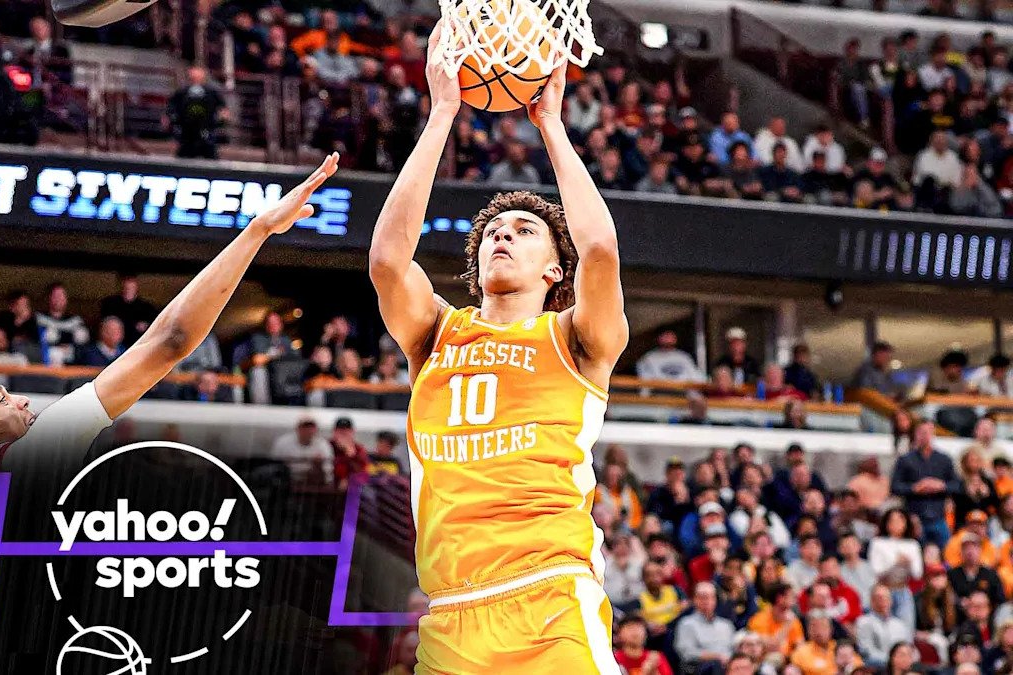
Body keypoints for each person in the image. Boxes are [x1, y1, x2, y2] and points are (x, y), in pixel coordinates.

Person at [368, 24, 628, 671]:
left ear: (554, 270)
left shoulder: (575, 338)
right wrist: (442, 115)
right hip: (452, 613)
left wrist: (552, 127)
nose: (503, 237)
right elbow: (387, 260)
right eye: (492, 233)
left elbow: (600, 248)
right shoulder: (436, 332)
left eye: (523, 231)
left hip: (550, 597)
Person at [0, 155, 339, 471]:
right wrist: (257, 230)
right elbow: (170, 341)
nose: (22, 399)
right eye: (0, 400)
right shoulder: (25, 456)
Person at [891, 420, 961, 549]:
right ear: (915, 434)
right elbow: (895, 487)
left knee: (946, 551)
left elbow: (957, 485)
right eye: (921, 432)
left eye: (928, 432)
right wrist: (915, 488)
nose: (925, 436)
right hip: (915, 516)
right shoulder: (905, 460)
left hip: (939, 516)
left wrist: (941, 486)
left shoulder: (944, 459)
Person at [167, 65, 227, 159]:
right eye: (193, 77)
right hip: (187, 133)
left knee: (210, 157)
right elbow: (171, 108)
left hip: (206, 131)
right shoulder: (181, 92)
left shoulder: (212, 92)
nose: (196, 80)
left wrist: (219, 122)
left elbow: (223, 110)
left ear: (203, 78)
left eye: (198, 77)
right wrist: (172, 121)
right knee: (183, 158)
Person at [675, 581, 737, 672]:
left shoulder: (726, 625)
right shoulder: (686, 624)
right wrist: (716, 656)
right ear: (695, 600)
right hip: (703, 668)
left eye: (711, 597)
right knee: (715, 665)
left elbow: (734, 649)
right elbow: (687, 653)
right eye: (703, 597)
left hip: (730, 666)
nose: (707, 601)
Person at [856, 586, 913, 669]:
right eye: (879, 597)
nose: (883, 600)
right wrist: (893, 661)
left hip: (900, 665)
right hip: (876, 667)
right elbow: (867, 652)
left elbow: (908, 647)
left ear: (891, 601)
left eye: (886, 597)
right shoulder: (864, 622)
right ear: (872, 601)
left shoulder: (899, 624)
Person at [268, 416, 333, 485]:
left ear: (316, 429)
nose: (308, 430)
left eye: (311, 427)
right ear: (297, 428)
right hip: (287, 480)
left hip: (312, 483)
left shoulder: (323, 445)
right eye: (305, 427)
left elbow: (328, 472)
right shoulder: (283, 442)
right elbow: (273, 465)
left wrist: (319, 465)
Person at [36, 282, 89, 366]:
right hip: (47, 361)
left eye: (61, 295)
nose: (59, 299)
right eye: (55, 296)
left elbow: (83, 342)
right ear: (49, 298)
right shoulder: (39, 319)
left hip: (72, 363)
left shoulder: (76, 321)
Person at [99, 273, 157, 346]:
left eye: (131, 288)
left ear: (136, 288)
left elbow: (154, 327)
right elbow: (104, 325)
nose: (128, 290)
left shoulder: (147, 308)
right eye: (126, 288)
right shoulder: (109, 304)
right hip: (114, 344)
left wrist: (146, 326)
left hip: (137, 344)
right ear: (121, 287)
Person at [636, 329, 704, 382]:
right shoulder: (648, 358)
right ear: (659, 338)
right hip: (661, 392)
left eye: (670, 335)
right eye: (666, 335)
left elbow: (696, 377)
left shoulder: (683, 356)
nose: (668, 338)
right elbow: (645, 381)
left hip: (684, 392)